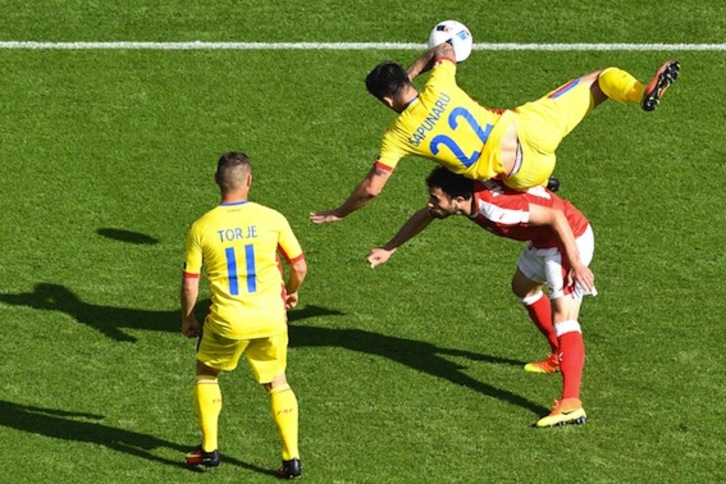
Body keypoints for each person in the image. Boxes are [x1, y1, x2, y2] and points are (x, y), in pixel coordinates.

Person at [310, 41, 679, 224]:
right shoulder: (440, 81)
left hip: (522, 174)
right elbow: (444, 47)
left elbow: (373, 188)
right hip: (531, 128)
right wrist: (415, 68)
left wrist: (341, 211)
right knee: (600, 81)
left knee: (480, 180)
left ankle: (540, 188)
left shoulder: (396, 135)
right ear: (407, 81)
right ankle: (639, 92)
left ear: (387, 102)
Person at [366, 166, 597, 428]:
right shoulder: (465, 192)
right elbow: (426, 214)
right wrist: (389, 248)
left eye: (436, 199)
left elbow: (556, 215)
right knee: (523, 288)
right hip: (543, 238)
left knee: (564, 319)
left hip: (569, 238)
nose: (431, 204)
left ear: (459, 201)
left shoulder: (496, 209)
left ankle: (571, 404)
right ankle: (559, 354)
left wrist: (576, 263)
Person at [180, 152, 308, 477]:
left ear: (216, 181)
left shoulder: (202, 227)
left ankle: (209, 449)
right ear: (250, 181)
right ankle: (291, 459)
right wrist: (292, 291)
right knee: (277, 380)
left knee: (206, 372)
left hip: (227, 321)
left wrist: (189, 318)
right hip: (271, 319)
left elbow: (189, 283)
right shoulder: (273, 218)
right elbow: (299, 266)